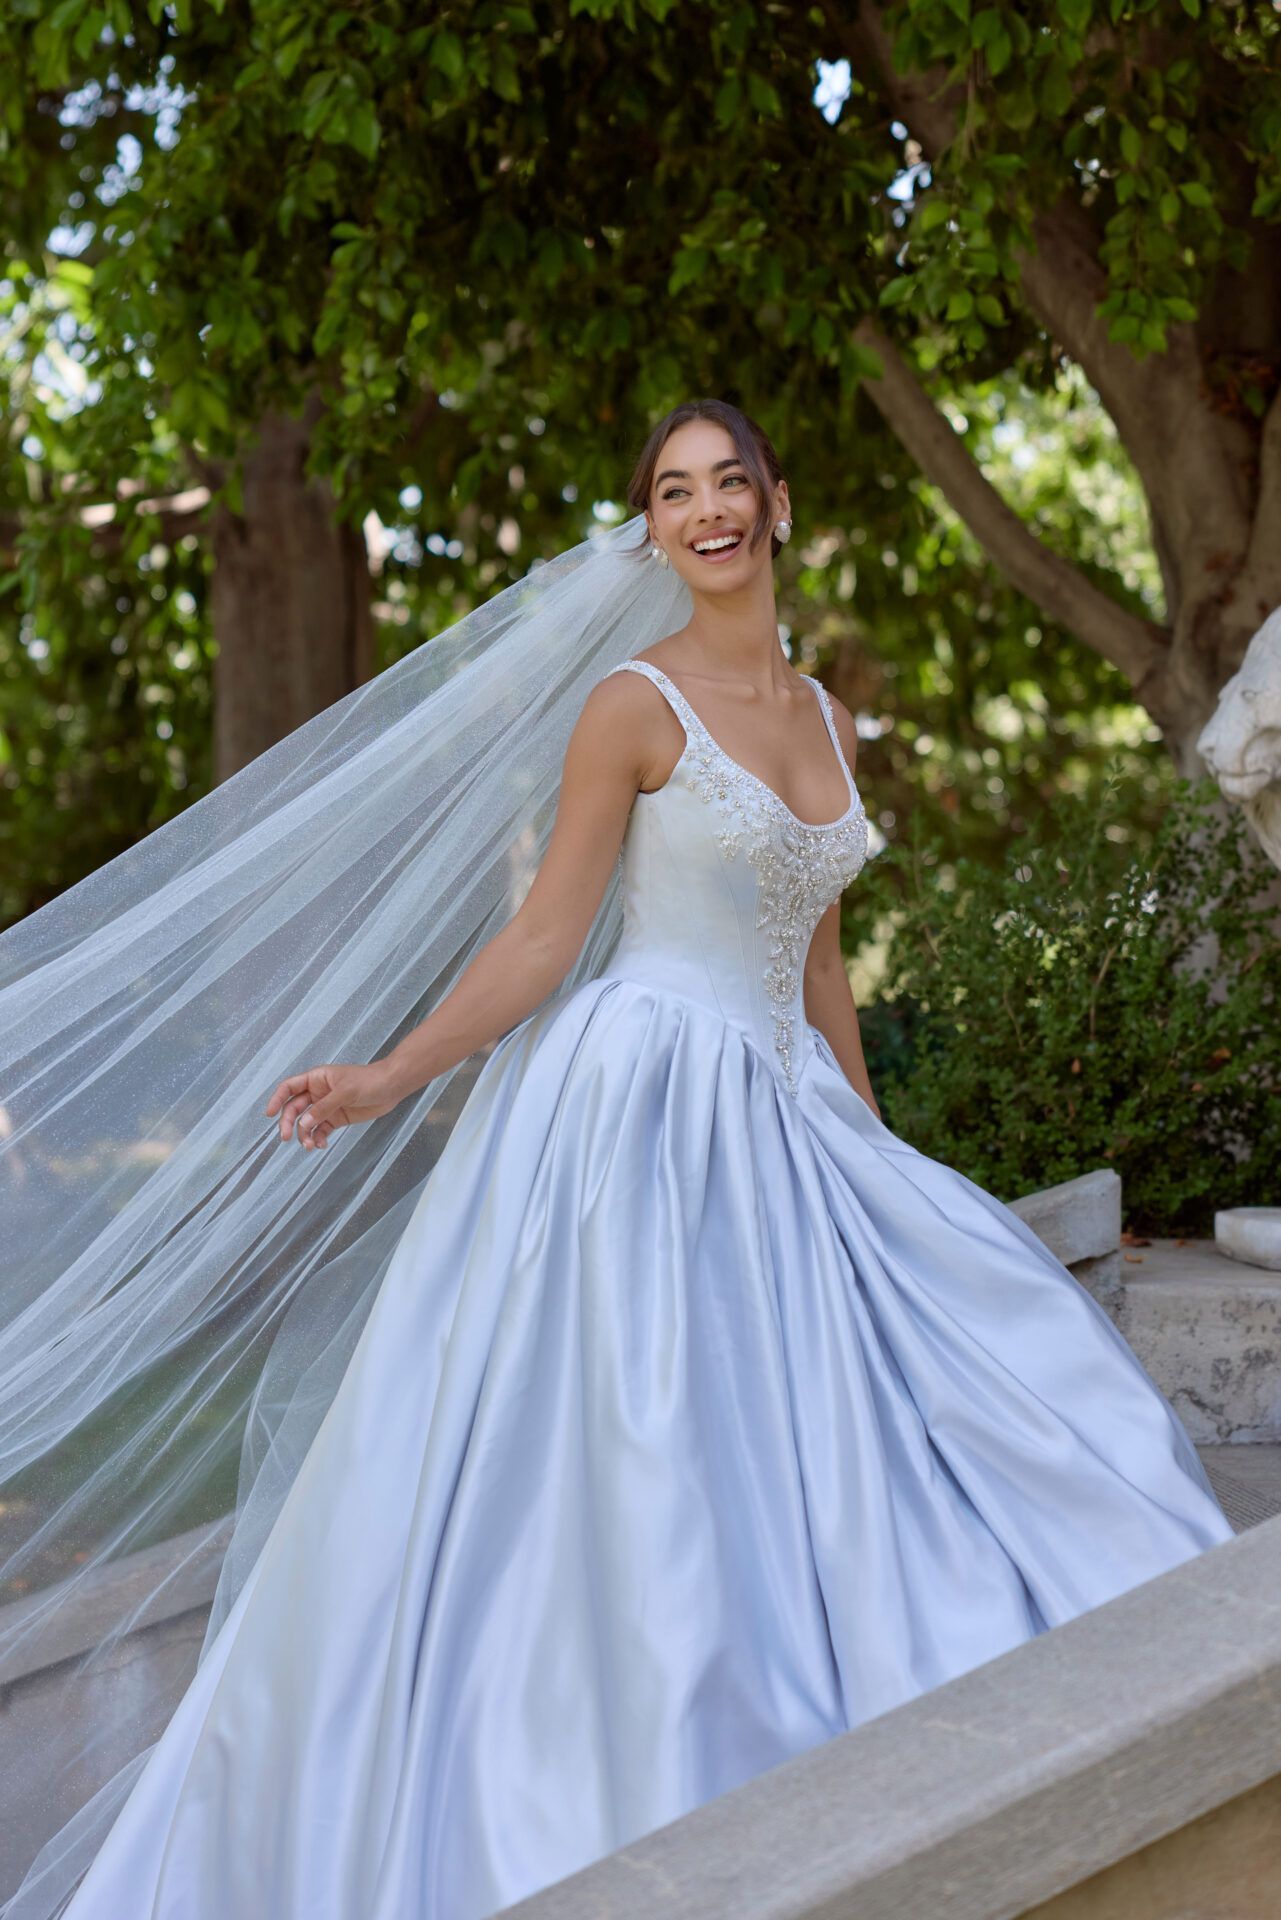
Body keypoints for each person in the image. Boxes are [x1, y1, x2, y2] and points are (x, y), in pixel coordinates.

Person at [1, 401, 1233, 1920]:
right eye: (673, 491)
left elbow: (822, 963)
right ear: (649, 526)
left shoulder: (828, 721)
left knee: (978, 1352)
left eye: (729, 483)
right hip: (638, 1102)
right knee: (641, 1439)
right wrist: (390, 1075)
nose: (705, 510)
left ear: (777, 504)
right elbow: (542, 937)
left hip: (787, 1111)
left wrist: (870, 1144)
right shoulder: (631, 706)